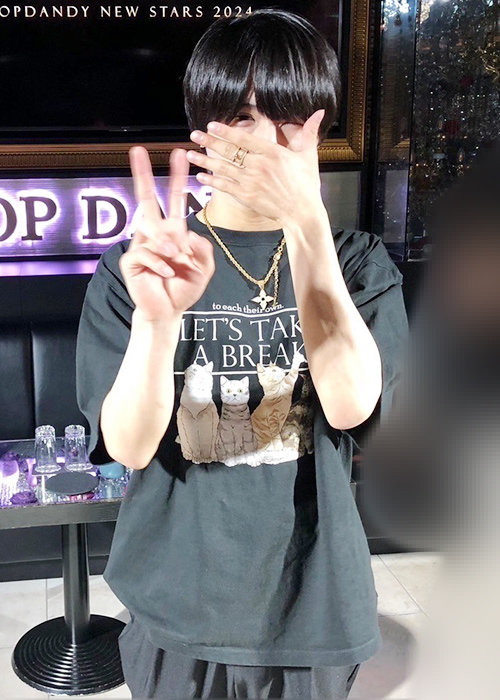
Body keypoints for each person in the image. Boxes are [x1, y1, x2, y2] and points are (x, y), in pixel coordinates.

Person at [76, 9, 408, 699]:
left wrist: (307, 222)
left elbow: (352, 408)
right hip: (176, 606)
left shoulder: (357, 263)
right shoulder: (138, 268)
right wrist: (158, 322)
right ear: (207, 128)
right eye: (245, 117)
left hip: (313, 605)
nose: (269, 144)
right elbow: (128, 447)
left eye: (290, 120)